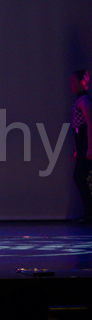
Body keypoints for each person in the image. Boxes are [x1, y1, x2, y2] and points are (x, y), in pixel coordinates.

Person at [70, 69, 92, 223]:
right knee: (80, 177)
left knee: (80, 177)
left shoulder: (85, 101)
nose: (71, 85)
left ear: (83, 82)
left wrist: (89, 148)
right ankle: (88, 213)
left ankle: (89, 213)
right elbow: (79, 129)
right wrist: (77, 149)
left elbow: (90, 125)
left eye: (73, 81)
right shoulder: (80, 101)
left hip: (86, 148)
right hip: (83, 147)